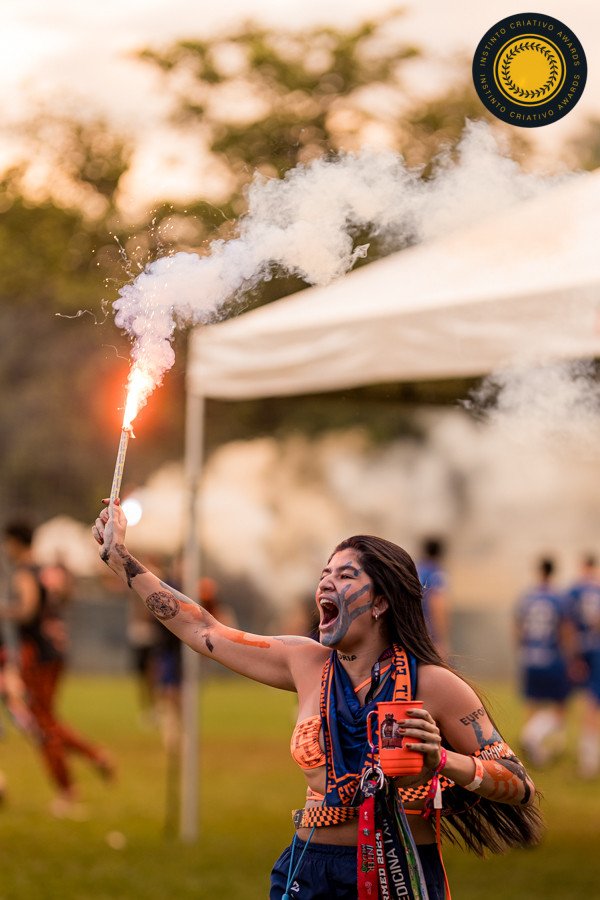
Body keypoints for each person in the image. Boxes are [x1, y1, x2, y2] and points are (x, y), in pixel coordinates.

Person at [94, 501, 542, 899]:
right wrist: (124, 562)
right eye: (324, 574)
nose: (326, 583)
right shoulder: (304, 662)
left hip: (397, 874)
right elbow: (205, 630)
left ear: (382, 602)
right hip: (309, 872)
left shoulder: (434, 685)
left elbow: (519, 784)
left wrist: (441, 761)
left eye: (346, 575)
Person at [1, 520, 114, 818]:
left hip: (37, 654)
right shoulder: (48, 571)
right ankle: (96, 756)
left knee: (42, 727)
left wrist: (4, 611)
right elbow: (63, 599)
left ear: (14, 542)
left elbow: (27, 610)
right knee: (47, 721)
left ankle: (67, 791)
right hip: (56, 650)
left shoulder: (25, 573)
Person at [514, 557, 571, 767]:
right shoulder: (559, 598)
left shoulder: (527, 597)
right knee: (559, 706)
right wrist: (570, 656)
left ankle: (532, 747)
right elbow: (565, 630)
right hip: (552, 657)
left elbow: (517, 627)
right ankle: (552, 743)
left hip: (530, 657)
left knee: (532, 701)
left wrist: (522, 650)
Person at [564, 554, 600, 779]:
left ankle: (588, 759)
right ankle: (589, 757)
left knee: (589, 704)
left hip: (583, 649)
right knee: (593, 703)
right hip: (597, 649)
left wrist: (572, 655)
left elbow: (568, 623)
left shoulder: (574, 591)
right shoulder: (597, 589)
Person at [416, 538, 450, 661]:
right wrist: (440, 639)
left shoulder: (416, 569)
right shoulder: (436, 572)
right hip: (428, 634)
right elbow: (437, 604)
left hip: (411, 630)